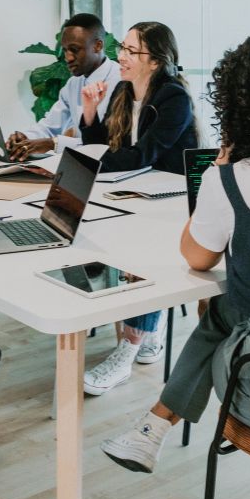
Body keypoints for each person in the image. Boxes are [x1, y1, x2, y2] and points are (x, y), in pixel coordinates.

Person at [100, 28, 250, 499]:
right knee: (228, 308)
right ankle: (154, 427)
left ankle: (156, 425)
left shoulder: (235, 178)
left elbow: (195, 256)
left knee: (223, 312)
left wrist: (218, 176)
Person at [80, 21, 198, 393]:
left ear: (155, 60)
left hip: (174, 200)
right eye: (123, 48)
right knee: (97, 233)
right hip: (136, 192)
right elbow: (102, 144)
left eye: (132, 51)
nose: (122, 57)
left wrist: (95, 161)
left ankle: (127, 350)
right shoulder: (122, 90)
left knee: (138, 256)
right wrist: (89, 112)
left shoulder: (173, 97)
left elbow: (142, 155)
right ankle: (147, 325)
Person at [6, 13, 119, 161]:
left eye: (75, 49)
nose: (68, 58)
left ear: (98, 46)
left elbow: (107, 145)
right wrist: (25, 138)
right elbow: (50, 125)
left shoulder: (121, 82)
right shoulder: (73, 84)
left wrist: (54, 143)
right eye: (65, 50)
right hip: (80, 165)